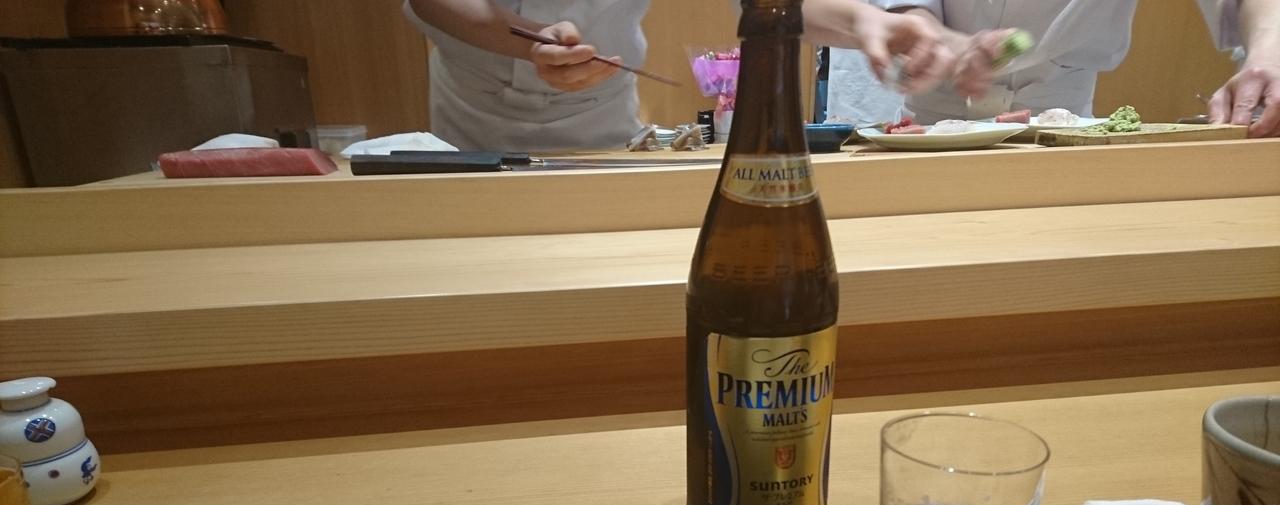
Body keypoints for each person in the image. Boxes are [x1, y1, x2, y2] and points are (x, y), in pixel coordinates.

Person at [401, 0, 955, 151]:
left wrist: (866, 19)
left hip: (601, 112)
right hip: (475, 109)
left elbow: (775, 3)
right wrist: (530, 39)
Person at [873, 0, 1280, 138]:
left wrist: (1268, 56)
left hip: (1064, 133)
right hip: (929, 133)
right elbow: (909, 11)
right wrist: (936, 42)